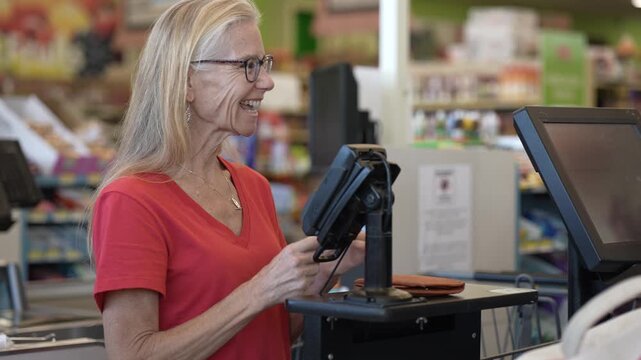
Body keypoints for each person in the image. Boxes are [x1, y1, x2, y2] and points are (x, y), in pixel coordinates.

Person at [88, 1, 365, 359]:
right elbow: (133, 354)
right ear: (186, 80)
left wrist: (320, 274)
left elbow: (276, 331)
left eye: (263, 64)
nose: (266, 81)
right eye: (247, 65)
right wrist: (260, 290)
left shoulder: (253, 186)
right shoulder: (132, 199)